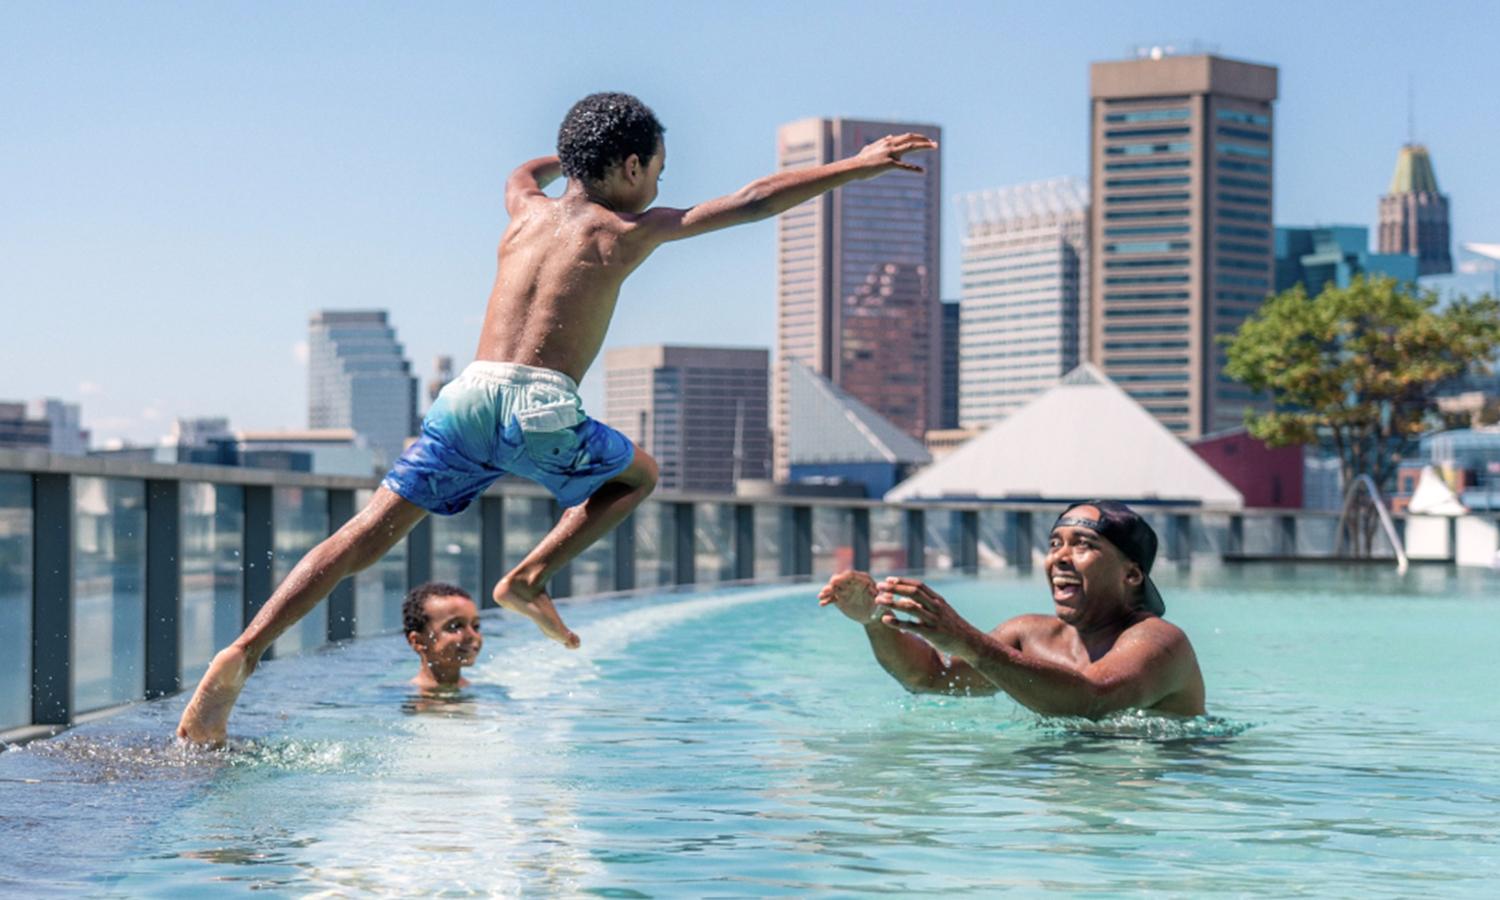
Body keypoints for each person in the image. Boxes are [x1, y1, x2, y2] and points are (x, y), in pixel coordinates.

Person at [177, 91, 937, 745]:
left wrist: (570, 154)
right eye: (659, 170)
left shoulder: (523, 211)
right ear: (632, 168)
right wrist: (854, 164)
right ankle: (532, 574)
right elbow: (753, 200)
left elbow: (519, 172)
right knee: (639, 475)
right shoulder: (625, 229)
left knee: (361, 538)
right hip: (538, 403)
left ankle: (241, 653)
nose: (660, 184)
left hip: (467, 395)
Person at [817, 500, 1205, 718]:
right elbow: (930, 678)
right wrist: (874, 621)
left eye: (1083, 545)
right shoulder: (1030, 635)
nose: (1061, 558)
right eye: (1055, 544)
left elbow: (1093, 700)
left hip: (1158, 793)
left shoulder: (1159, 642)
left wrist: (969, 641)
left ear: (1132, 575)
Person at [402, 582, 484, 690]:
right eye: (455, 626)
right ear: (418, 641)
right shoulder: (405, 696)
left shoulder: (484, 694)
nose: (471, 635)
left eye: (475, 626)